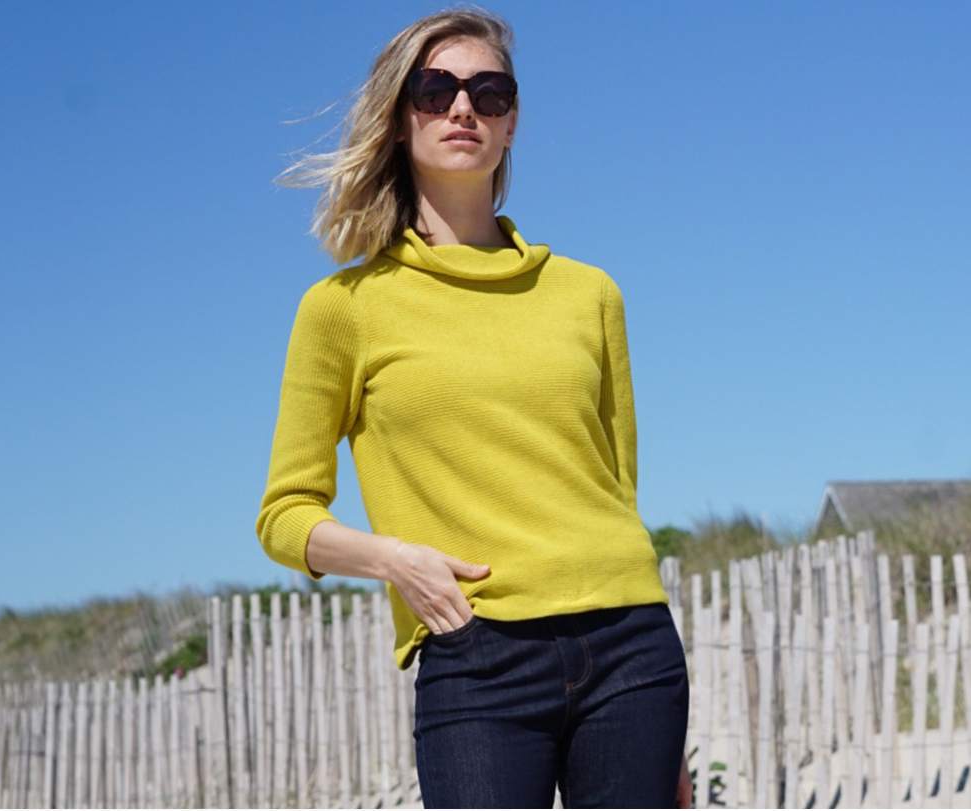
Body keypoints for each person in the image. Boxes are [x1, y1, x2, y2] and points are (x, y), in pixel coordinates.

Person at [258, 8, 691, 808]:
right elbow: (284, 516)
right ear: (398, 117)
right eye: (436, 89)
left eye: (489, 93)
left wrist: (670, 750)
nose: (464, 109)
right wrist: (395, 560)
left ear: (512, 123)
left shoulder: (589, 294)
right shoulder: (342, 309)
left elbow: (617, 489)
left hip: (632, 644)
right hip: (475, 651)